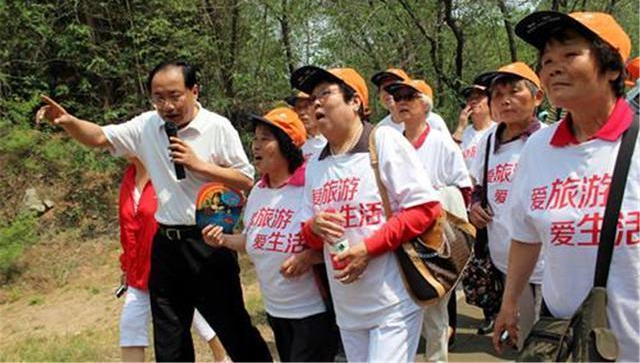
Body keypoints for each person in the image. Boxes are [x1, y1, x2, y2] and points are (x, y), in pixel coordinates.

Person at [35, 61, 271, 362]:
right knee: (169, 338)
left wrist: (200, 166)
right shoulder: (146, 126)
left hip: (208, 243)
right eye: (159, 97)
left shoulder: (218, 127)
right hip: (165, 246)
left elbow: (246, 179)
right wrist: (68, 121)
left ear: (194, 91)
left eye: (175, 95)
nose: (167, 105)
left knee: (233, 327)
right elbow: (98, 137)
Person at [493, 11, 639, 362]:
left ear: (613, 68)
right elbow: (526, 236)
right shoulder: (538, 149)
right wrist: (510, 301)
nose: (553, 67)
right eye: (547, 60)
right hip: (569, 344)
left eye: (570, 55)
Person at [289, 65, 443, 362]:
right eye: (312, 98)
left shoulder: (383, 141)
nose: (316, 103)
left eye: (325, 93)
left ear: (355, 102)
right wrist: (315, 227)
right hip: (348, 309)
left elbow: (425, 209)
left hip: (393, 302)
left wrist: (368, 249)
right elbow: (305, 234)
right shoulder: (317, 165)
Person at [203, 107, 339, 362]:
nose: (255, 145)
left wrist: (310, 257)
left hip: (313, 313)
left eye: (265, 138)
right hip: (276, 311)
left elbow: (342, 243)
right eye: (255, 138)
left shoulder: (311, 186)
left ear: (288, 145)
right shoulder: (258, 192)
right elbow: (252, 240)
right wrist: (222, 240)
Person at [385, 78, 473, 362]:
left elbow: (463, 187)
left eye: (409, 97)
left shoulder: (440, 142)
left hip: (435, 236)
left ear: (425, 105)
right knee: (404, 304)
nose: (401, 102)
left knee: (434, 306)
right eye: (397, 97)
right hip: (401, 235)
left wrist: (436, 204)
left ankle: (437, 358)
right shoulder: (392, 143)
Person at [118, 157, 229, 362]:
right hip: (139, 274)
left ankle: (221, 355)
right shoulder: (129, 178)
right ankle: (221, 354)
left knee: (193, 317)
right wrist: (126, 266)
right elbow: (127, 229)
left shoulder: (166, 176)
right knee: (130, 325)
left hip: (170, 265)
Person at [469, 61, 546, 347]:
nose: (504, 100)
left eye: (514, 91)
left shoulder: (546, 139)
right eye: (497, 94)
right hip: (505, 259)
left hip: (546, 263)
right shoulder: (489, 139)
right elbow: (479, 184)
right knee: (523, 335)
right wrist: (475, 205)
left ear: (537, 97)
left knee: (548, 338)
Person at [371, 68, 450, 135]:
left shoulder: (431, 121)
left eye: (394, 87)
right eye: (384, 88)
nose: (389, 92)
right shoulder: (380, 129)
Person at [452, 75, 496, 168]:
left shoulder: (498, 130)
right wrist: (460, 128)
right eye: (470, 98)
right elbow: (449, 160)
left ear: (491, 102)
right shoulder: (463, 134)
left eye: (479, 97)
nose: (473, 101)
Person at [285, 91, 327, 161]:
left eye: (306, 106)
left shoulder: (333, 139)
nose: (301, 112)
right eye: (298, 108)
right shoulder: (294, 145)